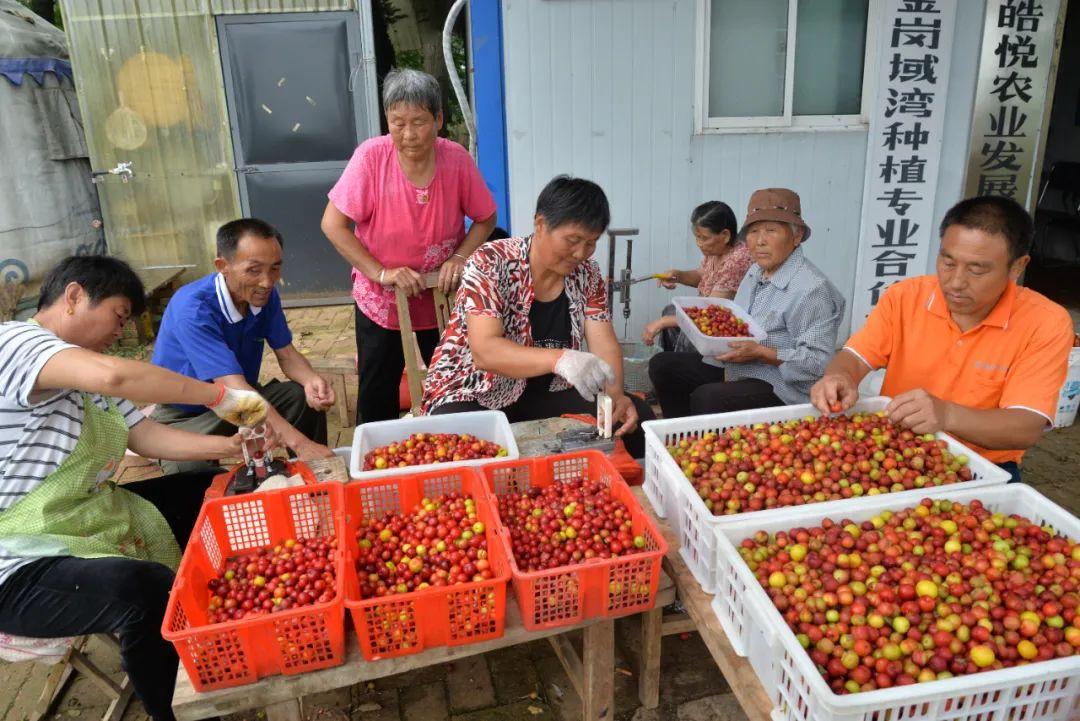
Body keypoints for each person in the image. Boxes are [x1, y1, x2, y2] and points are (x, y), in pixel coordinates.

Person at [0, 256, 270, 721]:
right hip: (17, 561)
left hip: (83, 519)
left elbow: (144, 437)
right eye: (119, 316)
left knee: (214, 493)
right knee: (142, 593)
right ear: (74, 296)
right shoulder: (18, 341)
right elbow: (116, 375)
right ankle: (174, 710)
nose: (121, 333)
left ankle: (251, 611)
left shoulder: (87, 377)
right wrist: (220, 396)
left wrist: (229, 448)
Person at [810, 196, 1075, 483]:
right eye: (948, 262)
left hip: (981, 466)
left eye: (977, 269)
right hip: (892, 450)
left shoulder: (1045, 323)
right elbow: (854, 357)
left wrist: (946, 415)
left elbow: (1026, 426)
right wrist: (839, 377)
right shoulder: (906, 297)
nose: (956, 282)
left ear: (1017, 267)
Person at [421, 176, 655, 457]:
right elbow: (486, 352)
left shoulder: (587, 274)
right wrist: (560, 358)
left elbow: (604, 342)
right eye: (573, 240)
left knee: (636, 418)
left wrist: (616, 395)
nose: (581, 253)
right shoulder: (490, 262)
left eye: (591, 243)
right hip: (473, 390)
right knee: (460, 451)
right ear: (541, 224)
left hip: (542, 390)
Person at [321, 68, 498, 424]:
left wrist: (460, 257)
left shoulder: (456, 159)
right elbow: (333, 225)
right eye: (397, 122)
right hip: (382, 296)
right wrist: (381, 272)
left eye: (418, 121)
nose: (407, 134)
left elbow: (486, 218)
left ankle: (450, 445)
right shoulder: (371, 158)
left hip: (440, 292)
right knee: (377, 387)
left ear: (439, 119)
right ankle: (375, 467)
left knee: (449, 379)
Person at [151, 218, 334, 470]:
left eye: (275, 268)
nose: (267, 281)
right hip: (190, 415)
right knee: (188, 471)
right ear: (222, 266)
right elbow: (233, 389)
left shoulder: (263, 295)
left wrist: (310, 379)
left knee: (298, 396)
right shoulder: (192, 309)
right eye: (254, 270)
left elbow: (288, 355)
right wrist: (300, 443)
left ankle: (316, 474)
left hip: (244, 397)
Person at [649, 188, 844, 418]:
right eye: (753, 231)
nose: (760, 241)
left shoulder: (812, 289)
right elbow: (737, 322)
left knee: (708, 397)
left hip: (782, 386)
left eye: (771, 231)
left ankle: (705, 446)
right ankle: (678, 437)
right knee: (664, 366)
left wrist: (762, 353)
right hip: (739, 366)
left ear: (796, 236)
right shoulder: (756, 271)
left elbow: (816, 363)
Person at [642, 201, 752, 351]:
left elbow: (713, 310)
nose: (699, 243)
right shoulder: (716, 251)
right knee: (670, 311)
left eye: (704, 238)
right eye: (697, 237)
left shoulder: (738, 260)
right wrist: (678, 275)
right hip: (709, 312)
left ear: (725, 235)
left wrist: (663, 322)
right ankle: (670, 363)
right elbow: (702, 275)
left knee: (680, 328)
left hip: (723, 323)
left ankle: (682, 368)